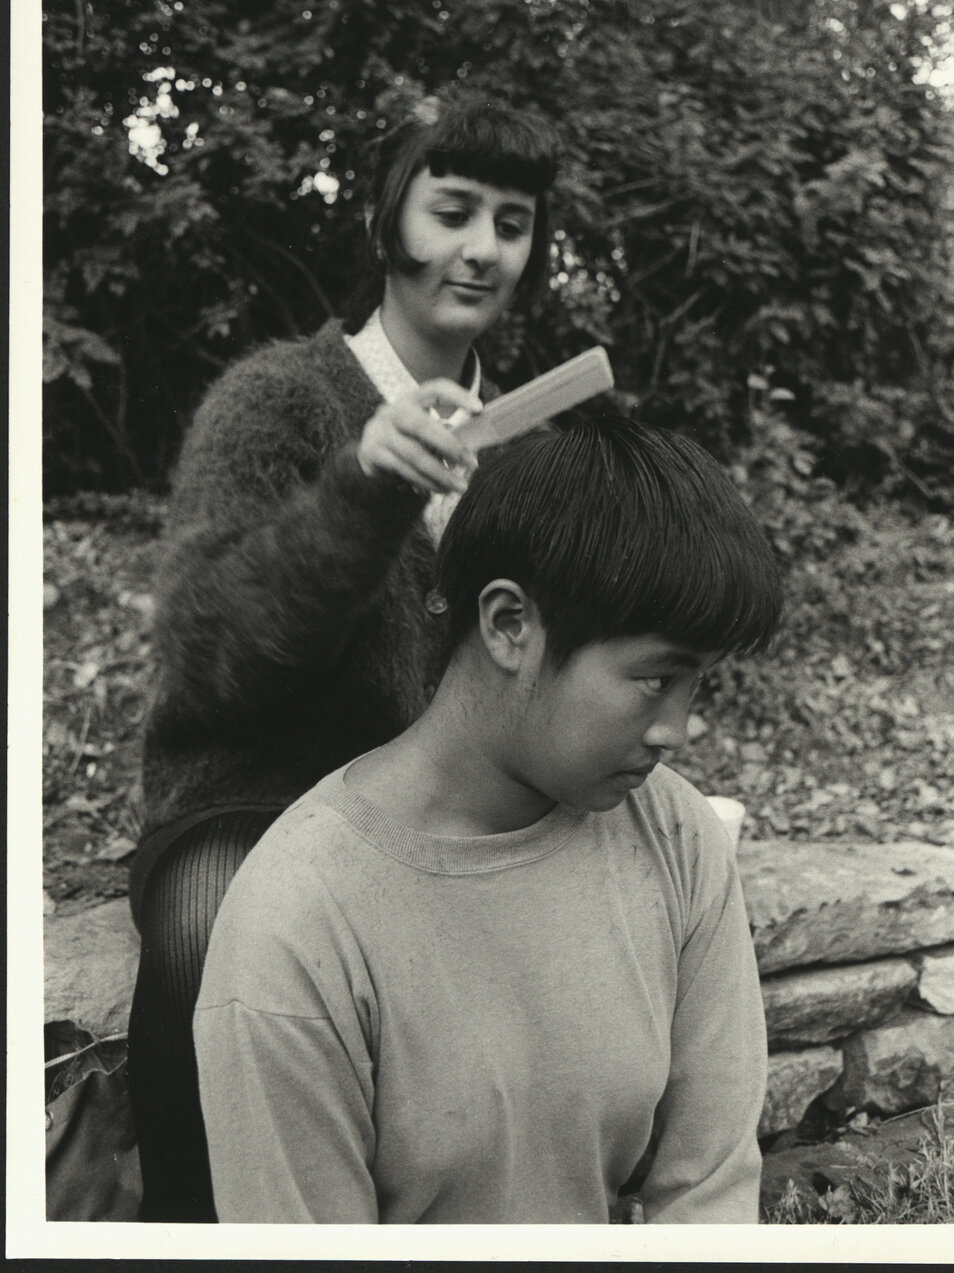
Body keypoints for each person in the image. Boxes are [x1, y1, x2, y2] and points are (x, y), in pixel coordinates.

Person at [126, 96, 560, 1221]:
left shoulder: (527, 445)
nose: (480, 248)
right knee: (214, 916)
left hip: (436, 822)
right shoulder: (276, 400)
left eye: (509, 223)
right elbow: (208, 654)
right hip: (248, 803)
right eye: (452, 209)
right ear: (385, 225)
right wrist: (366, 490)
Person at [193, 417, 783, 1225]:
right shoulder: (297, 926)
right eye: (654, 680)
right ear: (510, 624)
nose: (676, 730)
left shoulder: (675, 835)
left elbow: (711, 1196)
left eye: (698, 686)